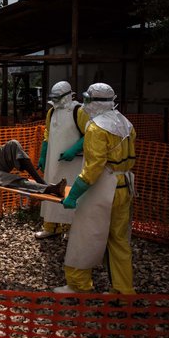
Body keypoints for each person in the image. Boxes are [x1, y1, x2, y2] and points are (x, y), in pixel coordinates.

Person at [53, 83, 136, 294]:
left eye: (88, 99)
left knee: (85, 235)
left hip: (102, 187)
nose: (85, 104)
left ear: (96, 102)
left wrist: (74, 194)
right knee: (118, 240)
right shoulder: (126, 123)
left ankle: (79, 285)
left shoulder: (97, 127)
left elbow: (93, 168)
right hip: (124, 185)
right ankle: (123, 290)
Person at [35, 81, 89, 239]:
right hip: (54, 161)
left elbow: (90, 133)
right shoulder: (51, 112)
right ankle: (51, 227)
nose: (56, 101)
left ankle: (72, 229)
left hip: (73, 163)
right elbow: (47, 134)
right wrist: (43, 155)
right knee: (51, 190)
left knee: (72, 192)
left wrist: (75, 149)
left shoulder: (79, 111)